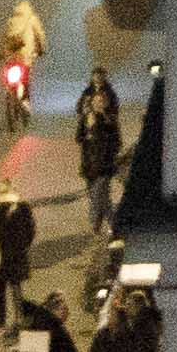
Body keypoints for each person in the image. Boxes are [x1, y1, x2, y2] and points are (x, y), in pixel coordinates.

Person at [74, 67, 125, 231]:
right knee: (100, 197)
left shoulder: (109, 119)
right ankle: (109, 223)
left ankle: (98, 222)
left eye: (101, 102)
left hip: (104, 165)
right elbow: (78, 138)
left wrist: (105, 119)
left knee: (98, 195)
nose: (98, 103)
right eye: (95, 102)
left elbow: (117, 142)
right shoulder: (87, 96)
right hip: (89, 163)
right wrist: (85, 123)